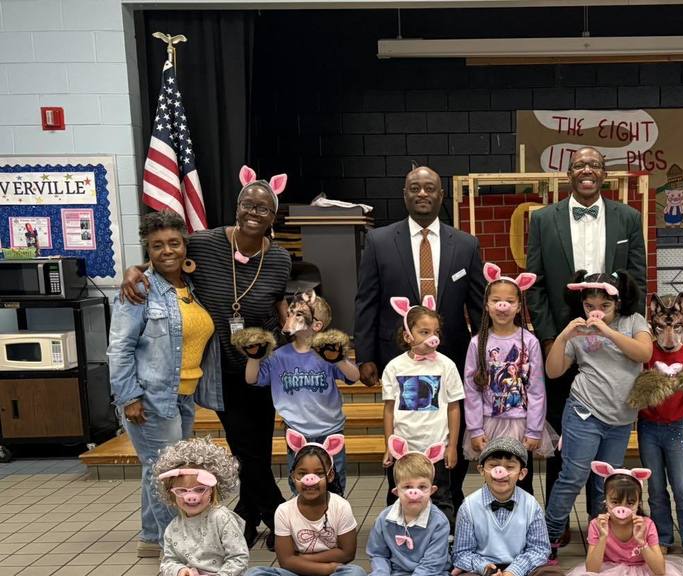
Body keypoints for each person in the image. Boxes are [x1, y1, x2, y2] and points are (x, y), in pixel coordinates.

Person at [121, 166, 292, 549]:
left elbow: (278, 304)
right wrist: (135, 270)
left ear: (273, 216)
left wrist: (281, 335)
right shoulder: (204, 243)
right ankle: (275, 510)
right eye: (248, 204)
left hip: (261, 368)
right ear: (237, 206)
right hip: (219, 369)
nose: (254, 212)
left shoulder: (279, 258)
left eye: (263, 208)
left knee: (260, 443)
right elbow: (164, 259)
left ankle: (251, 510)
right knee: (243, 444)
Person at [354, 165, 486, 503]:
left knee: (448, 431)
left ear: (442, 196)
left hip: (450, 358)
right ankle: (400, 500)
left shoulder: (466, 245)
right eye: (415, 188)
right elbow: (366, 301)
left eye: (430, 188)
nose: (422, 193)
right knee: (403, 429)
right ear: (404, 195)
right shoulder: (379, 241)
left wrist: (483, 357)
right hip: (397, 361)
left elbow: (479, 307)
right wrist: (366, 355)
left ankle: (448, 500)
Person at [525, 146, 647, 509]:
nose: (587, 170)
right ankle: (556, 519)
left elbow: (637, 279)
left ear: (604, 173)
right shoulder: (544, 219)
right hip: (565, 339)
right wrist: (549, 337)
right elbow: (537, 283)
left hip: (614, 346)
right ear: (568, 174)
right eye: (579, 165)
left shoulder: (627, 217)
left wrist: (627, 331)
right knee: (564, 427)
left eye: (595, 164)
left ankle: (603, 518)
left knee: (608, 439)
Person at [108, 210, 222, 557]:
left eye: (174, 243)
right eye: (157, 246)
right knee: (167, 473)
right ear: (148, 250)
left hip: (183, 397)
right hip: (152, 397)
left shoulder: (191, 286)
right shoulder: (140, 290)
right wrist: (128, 396)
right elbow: (119, 347)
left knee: (159, 468)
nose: (167, 251)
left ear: (185, 245)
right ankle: (173, 545)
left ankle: (151, 538)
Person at [94, 439, 252, 576]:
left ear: (213, 489)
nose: (191, 497)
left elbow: (239, 558)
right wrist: (179, 570)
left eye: (199, 490)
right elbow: (168, 560)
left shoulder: (221, 518)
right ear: (171, 494)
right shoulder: (173, 528)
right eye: (182, 491)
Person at [543, 271, 652, 559]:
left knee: (605, 481)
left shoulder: (633, 322)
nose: (596, 312)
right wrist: (565, 335)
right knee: (573, 475)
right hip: (583, 410)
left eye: (604, 306)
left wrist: (607, 331)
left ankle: (598, 538)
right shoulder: (578, 332)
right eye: (590, 306)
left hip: (621, 418)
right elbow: (553, 371)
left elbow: (644, 353)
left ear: (618, 302)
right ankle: (548, 539)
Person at [243, 432, 367, 576]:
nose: (310, 480)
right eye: (302, 474)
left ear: (330, 476)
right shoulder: (284, 510)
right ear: (293, 477)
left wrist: (302, 560)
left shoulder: (340, 506)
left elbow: (347, 553)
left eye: (318, 473)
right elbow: (285, 561)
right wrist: (326, 566)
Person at [236, 290, 358, 496]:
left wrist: (338, 358)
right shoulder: (278, 356)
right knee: (300, 482)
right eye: (291, 312)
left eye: (299, 314)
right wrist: (254, 357)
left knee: (334, 481)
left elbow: (353, 376)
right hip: (297, 431)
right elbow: (252, 379)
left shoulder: (325, 353)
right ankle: (303, 523)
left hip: (330, 430)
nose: (291, 317)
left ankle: (335, 522)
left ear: (317, 325)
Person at [333, 445, 455, 576]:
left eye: (422, 487)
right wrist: (381, 575)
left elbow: (430, 566)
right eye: (407, 487)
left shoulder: (439, 522)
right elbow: (378, 553)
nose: (414, 493)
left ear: (432, 490)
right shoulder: (384, 518)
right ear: (396, 491)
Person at [450, 437, 566, 576]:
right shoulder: (469, 507)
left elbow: (540, 549)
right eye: (494, 465)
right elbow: (461, 553)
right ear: (481, 470)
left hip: (522, 571)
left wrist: (515, 571)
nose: (500, 473)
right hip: (487, 574)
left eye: (509, 467)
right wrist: (483, 567)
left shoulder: (531, 505)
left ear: (522, 474)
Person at [563, 463, 683, 576]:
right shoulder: (597, 524)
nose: (622, 508)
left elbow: (660, 570)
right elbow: (592, 569)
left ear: (638, 503)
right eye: (615, 502)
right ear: (606, 501)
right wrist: (603, 537)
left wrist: (641, 542)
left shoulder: (647, 524)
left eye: (630, 503)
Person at [463, 262, 555, 496]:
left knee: (522, 481)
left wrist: (534, 430)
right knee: (492, 479)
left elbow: (536, 389)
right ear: (487, 305)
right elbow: (471, 389)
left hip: (521, 423)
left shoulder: (530, 342)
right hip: (488, 422)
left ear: (518, 306)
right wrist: (474, 428)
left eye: (510, 301)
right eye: (495, 300)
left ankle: (523, 528)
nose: (502, 306)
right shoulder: (477, 343)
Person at [631, 293, 683, 553]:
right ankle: (663, 538)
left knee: (682, 487)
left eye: (675, 328)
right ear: (653, 326)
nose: (669, 337)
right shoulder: (647, 352)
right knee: (655, 488)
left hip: (676, 429)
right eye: (662, 328)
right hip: (648, 428)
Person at [381, 296, 464, 527]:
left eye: (435, 331)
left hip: (435, 448)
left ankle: (444, 543)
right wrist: (389, 445)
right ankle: (398, 540)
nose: (432, 337)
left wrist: (452, 446)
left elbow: (454, 407)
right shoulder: (394, 367)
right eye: (424, 332)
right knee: (399, 496)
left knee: (440, 497)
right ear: (408, 336)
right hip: (403, 449)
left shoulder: (446, 365)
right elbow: (389, 409)